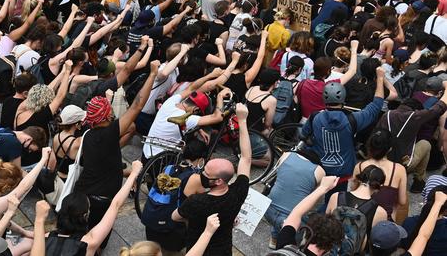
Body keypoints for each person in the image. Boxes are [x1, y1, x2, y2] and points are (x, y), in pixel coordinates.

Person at [74, 60, 160, 250]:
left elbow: (101, 158)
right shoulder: (109, 132)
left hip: (82, 194)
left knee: (80, 236)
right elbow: (137, 105)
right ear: (106, 116)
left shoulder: (88, 135)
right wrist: (153, 74)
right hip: (102, 200)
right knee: (96, 242)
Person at [171, 103, 251, 255]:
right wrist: (243, 121)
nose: (202, 174)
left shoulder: (196, 201)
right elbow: (246, 158)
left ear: (219, 181)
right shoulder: (238, 192)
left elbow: (175, 216)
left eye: (206, 173)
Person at [301, 66, 385, 204]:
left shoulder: (315, 117)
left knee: (312, 197)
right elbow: (376, 105)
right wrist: (380, 78)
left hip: (320, 167)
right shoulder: (353, 120)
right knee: (334, 199)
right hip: (343, 170)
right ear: (343, 99)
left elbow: (304, 135)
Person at [265, 149, 325, 249]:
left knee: (277, 220)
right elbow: (315, 199)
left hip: (268, 210)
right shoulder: (320, 171)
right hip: (290, 220)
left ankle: (274, 239)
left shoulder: (286, 155)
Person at [273, 176, 345, 255]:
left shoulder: (285, 247)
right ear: (330, 247)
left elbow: (296, 213)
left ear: (307, 231)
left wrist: (323, 187)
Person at [352, 128, 408, 223]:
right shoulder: (399, 169)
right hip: (385, 221)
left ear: (369, 146)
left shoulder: (360, 166)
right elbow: (402, 201)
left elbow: (352, 191)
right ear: (390, 148)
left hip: (360, 219)